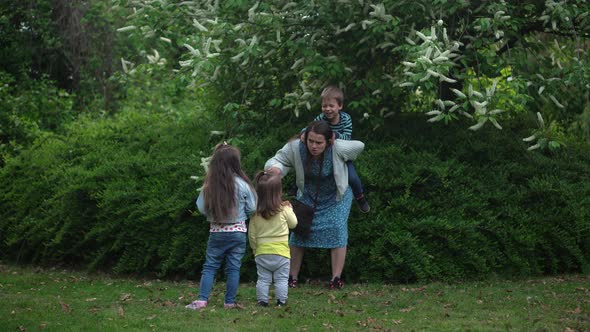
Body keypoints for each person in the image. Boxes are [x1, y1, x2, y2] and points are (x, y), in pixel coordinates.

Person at [265, 120, 364, 290]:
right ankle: (291, 277)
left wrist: (337, 138)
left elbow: (359, 146)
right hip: (308, 195)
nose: (314, 146)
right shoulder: (296, 147)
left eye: (319, 142)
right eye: (310, 141)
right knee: (298, 232)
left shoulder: (337, 148)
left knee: (337, 228)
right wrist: (276, 169)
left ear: (328, 141)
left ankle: (335, 279)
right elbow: (277, 159)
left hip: (336, 196)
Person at [185, 143, 257, 310]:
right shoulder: (243, 184)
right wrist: (242, 214)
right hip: (238, 232)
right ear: (236, 163)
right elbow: (253, 207)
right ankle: (229, 302)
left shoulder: (210, 185)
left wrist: (213, 214)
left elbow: (201, 208)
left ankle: (202, 300)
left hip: (217, 232)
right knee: (233, 268)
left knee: (210, 266)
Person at [303, 85, 370, 213]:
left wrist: (336, 136)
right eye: (324, 106)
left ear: (340, 106)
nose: (327, 109)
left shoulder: (346, 119)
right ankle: (297, 189)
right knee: (306, 167)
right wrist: (303, 133)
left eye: (331, 106)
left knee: (352, 177)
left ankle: (360, 197)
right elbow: (310, 129)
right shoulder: (320, 118)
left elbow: (348, 138)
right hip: (323, 153)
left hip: (342, 154)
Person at [248, 171, 298, 307]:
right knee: (281, 279)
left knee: (263, 279)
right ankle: (281, 301)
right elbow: (294, 224)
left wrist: (255, 249)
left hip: (262, 252)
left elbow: (252, 235)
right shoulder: (284, 209)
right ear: (278, 192)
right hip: (281, 252)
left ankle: (262, 300)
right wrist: (290, 209)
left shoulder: (255, 214)